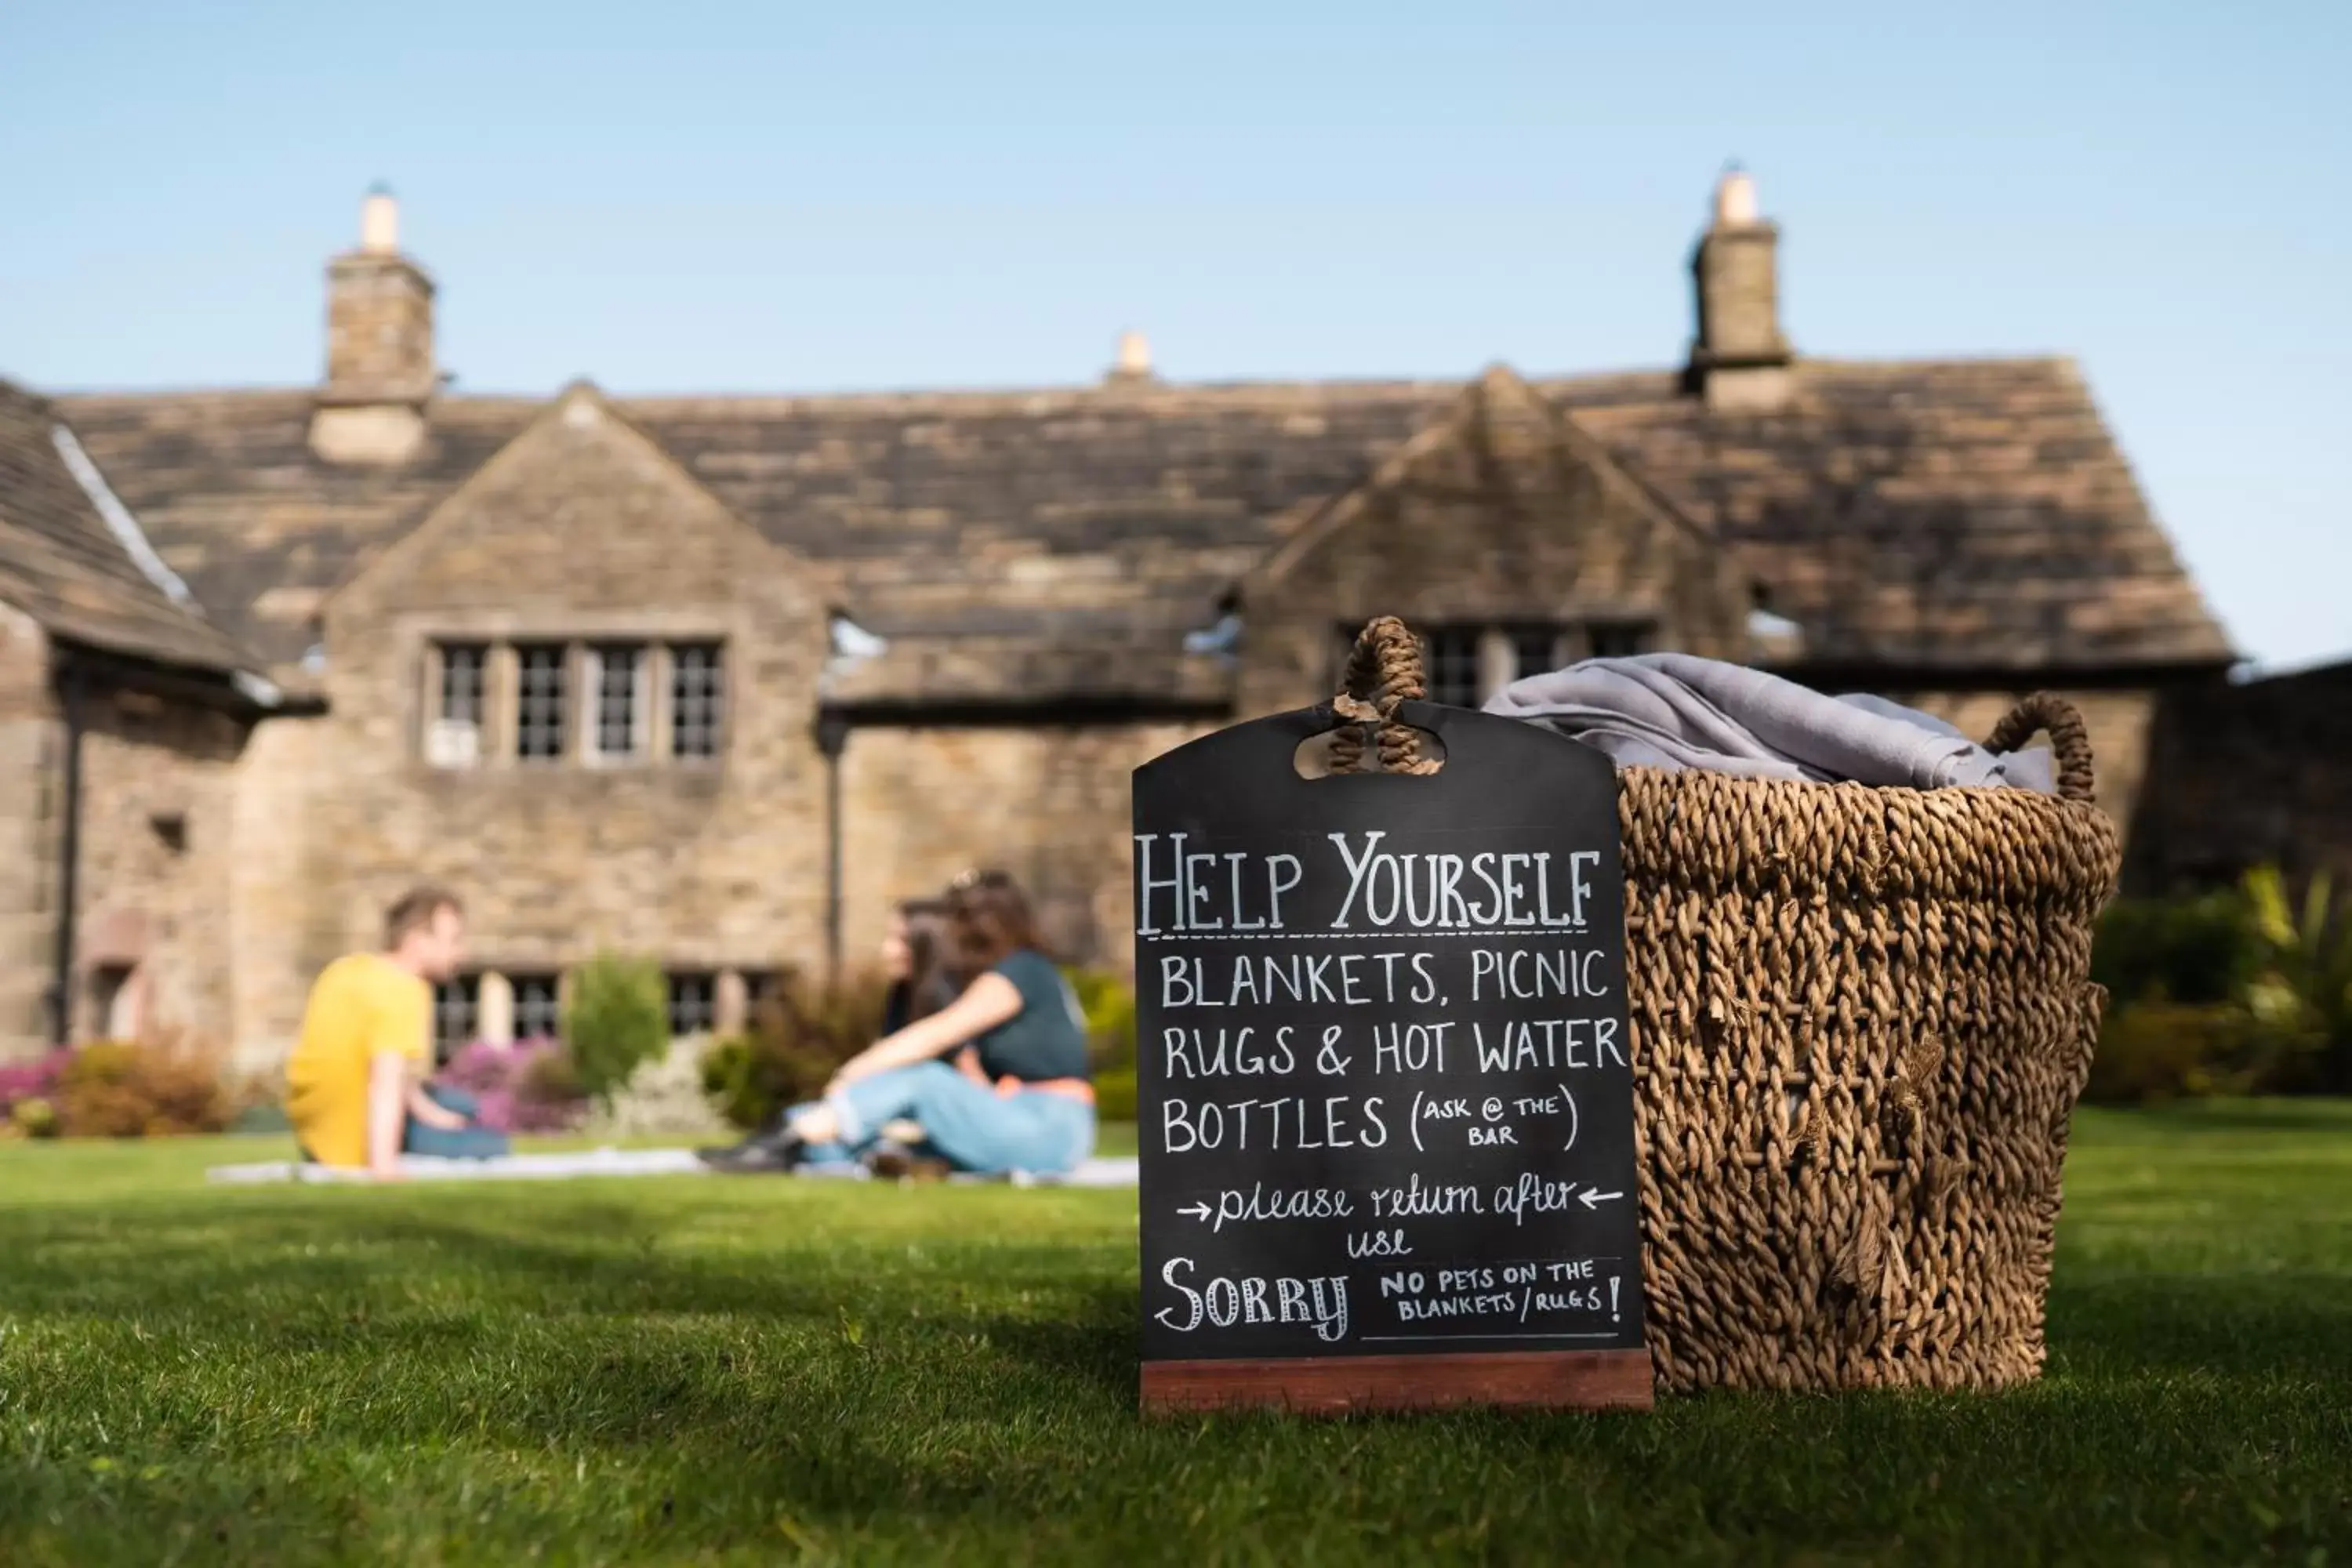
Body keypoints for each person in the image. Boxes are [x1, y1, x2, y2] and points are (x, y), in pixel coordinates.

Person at [717, 869, 1095, 1178]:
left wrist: (854, 1072)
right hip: (1016, 1117)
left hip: (1048, 1128)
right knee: (846, 1142)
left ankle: (794, 1133)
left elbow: (936, 1034)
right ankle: (787, 1137)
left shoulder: (1022, 970)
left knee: (923, 1079)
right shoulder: (1009, 974)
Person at [697, 898, 956, 1171]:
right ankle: (764, 1149)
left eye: (899, 941)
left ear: (925, 944)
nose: (887, 950)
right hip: (889, 1118)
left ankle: (771, 1152)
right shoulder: (901, 998)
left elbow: (963, 1081)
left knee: (827, 1136)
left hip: (929, 1126)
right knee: (806, 1124)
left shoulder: (945, 1002)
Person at [284, 887, 509, 1177]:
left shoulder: (345, 970)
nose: (461, 952)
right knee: (491, 1141)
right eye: (453, 940)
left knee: (451, 1105)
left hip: (316, 1139)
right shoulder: (402, 988)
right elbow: (385, 1080)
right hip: (356, 1142)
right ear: (417, 941)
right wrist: (384, 1166)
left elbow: (370, 1068)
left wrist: (432, 1115)